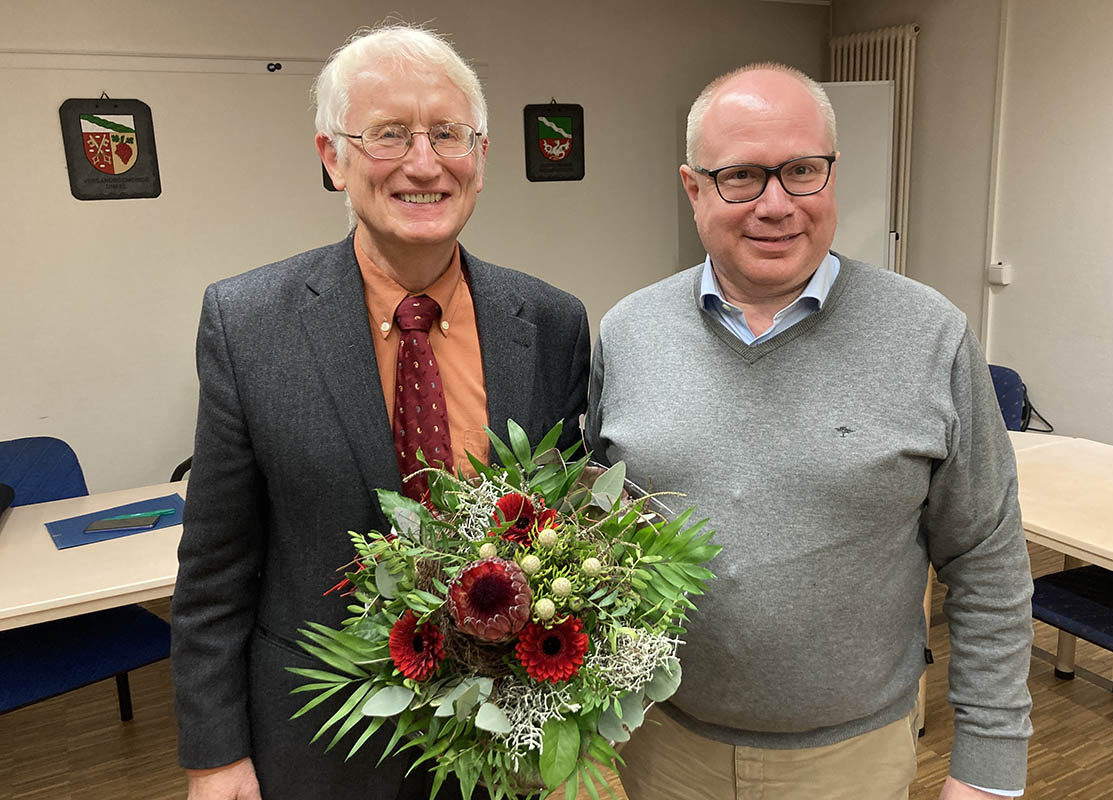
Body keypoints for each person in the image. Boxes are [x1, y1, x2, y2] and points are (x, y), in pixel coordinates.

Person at [586, 63, 1032, 800]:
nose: (776, 204)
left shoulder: (931, 336)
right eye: (740, 177)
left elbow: (986, 559)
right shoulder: (629, 333)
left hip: (851, 759)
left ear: (831, 177)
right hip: (661, 746)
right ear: (694, 188)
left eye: (801, 171)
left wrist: (989, 768)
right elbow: (593, 538)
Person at [171, 23, 590, 800]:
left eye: (448, 134)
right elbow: (214, 570)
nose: (423, 162)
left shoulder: (553, 322)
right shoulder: (247, 322)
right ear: (333, 157)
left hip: (503, 741)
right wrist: (214, 755)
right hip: (320, 736)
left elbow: (563, 540)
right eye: (389, 135)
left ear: (483, 155)